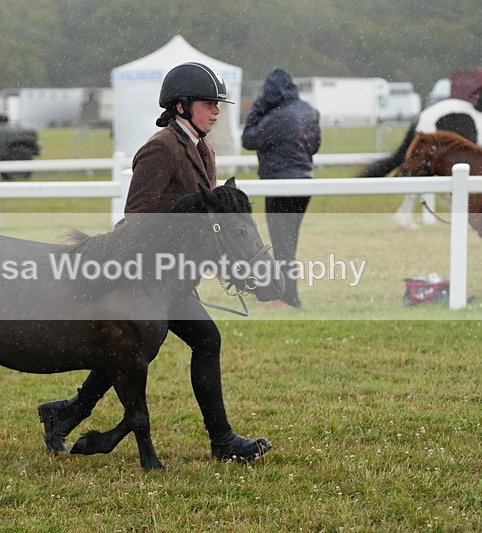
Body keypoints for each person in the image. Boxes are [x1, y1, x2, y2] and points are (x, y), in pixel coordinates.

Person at [37, 62, 272, 462]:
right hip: (142, 272)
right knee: (168, 344)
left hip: (172, 276)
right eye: (208, 104)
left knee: (147, 348)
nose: (216, 111)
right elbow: (137, 215)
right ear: (181, 107)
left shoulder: (203, 147)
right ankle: (222, 440)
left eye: (218, 104)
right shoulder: (160, 148)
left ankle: (67, 412)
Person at [241, 69, 321, 308]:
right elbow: (314, 147)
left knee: (282, 242)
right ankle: (288, 294)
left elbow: (248, 139)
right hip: (304, 181)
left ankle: (288, 297)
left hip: (280, 182)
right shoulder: (310, 111)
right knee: (289, 241)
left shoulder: (276, 116)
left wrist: (257, 107)